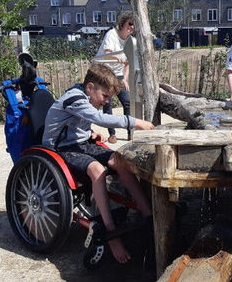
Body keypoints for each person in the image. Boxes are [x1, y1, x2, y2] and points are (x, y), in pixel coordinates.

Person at [42, 63, 155, 264]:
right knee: (97, 170)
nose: (106, 101)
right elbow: (99, 118)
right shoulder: (74, 98)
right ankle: (110, 231)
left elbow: (79, 123)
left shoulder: (85, 97)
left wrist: (89, 133)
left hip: (79, 144)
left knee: (120, 160)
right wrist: (136, 122)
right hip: (60, 149)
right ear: (90, 87)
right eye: (105, 96)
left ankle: (148, 213)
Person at [95, 12, 136, 143]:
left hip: (118, 75)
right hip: (105, 72)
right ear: (122, 23)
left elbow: (128, 62)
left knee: (127, 101)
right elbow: (107, 53)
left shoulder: (131, 41)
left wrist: (125, 78)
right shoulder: (111, 34)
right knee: (108, 103)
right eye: (130, 23)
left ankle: (130, 132)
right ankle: (112, 134)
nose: (132, 27)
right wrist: (116, 56)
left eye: (134, 25)